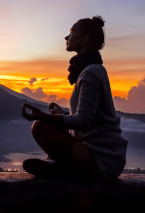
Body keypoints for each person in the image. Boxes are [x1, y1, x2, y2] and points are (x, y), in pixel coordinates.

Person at [21, 16, 128, 183]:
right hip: (98, 156)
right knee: (49, 125)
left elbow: (84, 121)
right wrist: (61, 114)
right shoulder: (90, 70)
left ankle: (61, 167)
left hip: (101, 160)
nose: (66, 37)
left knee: (40, 126)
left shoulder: (91, 72)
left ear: (84, 39)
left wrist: (43, 116)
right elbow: (90, 117)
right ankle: (59, 166)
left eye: (71, 33)